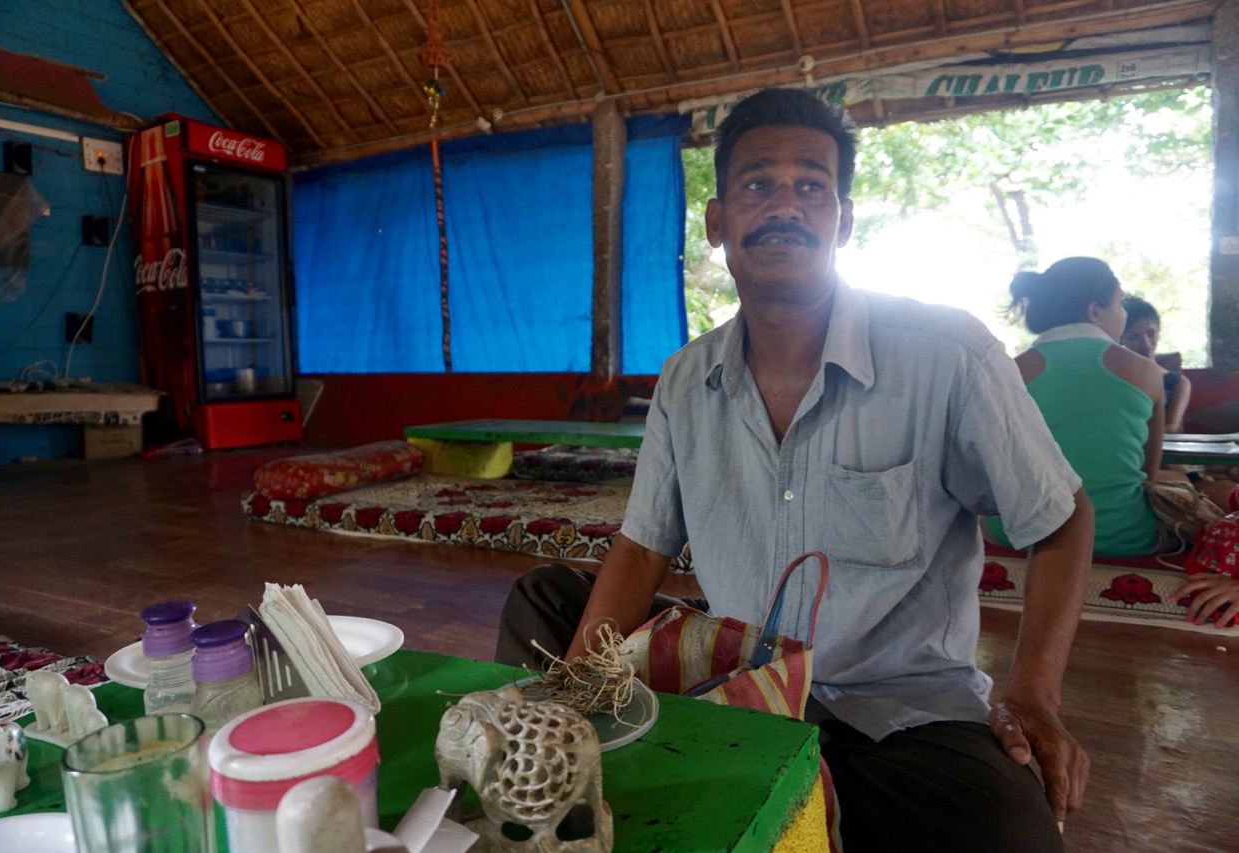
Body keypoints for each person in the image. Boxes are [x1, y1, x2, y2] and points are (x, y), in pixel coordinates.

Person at [495, 88, 1093, 853]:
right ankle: (757, 790)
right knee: (546, 600)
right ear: (718, 222)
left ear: (842, 220)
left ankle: (751, 788)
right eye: (757, 184)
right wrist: (575, 699)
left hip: (897, 718)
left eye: (811, 185)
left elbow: (1061, 517)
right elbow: (643, 547)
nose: (785, 204)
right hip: (731, 679)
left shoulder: (948, 355)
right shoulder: (686, 379)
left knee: (1008, 833)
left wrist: (1034, 692)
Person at [984, 258, 1167, 556]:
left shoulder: (1007, 372)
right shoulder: (1145, 372)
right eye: (1120, 304)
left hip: (1017, 537)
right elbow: (1150, 475)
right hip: (1122, 536)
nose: (1124, 314)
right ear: (1095, 310)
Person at [1121, 295, 1192, 433]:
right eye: (1134, 336)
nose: (1146, 342)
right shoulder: (1115, 377)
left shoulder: (1178, 383)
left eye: (1151, 333)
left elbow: (1171, 427)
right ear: (1121, 340)